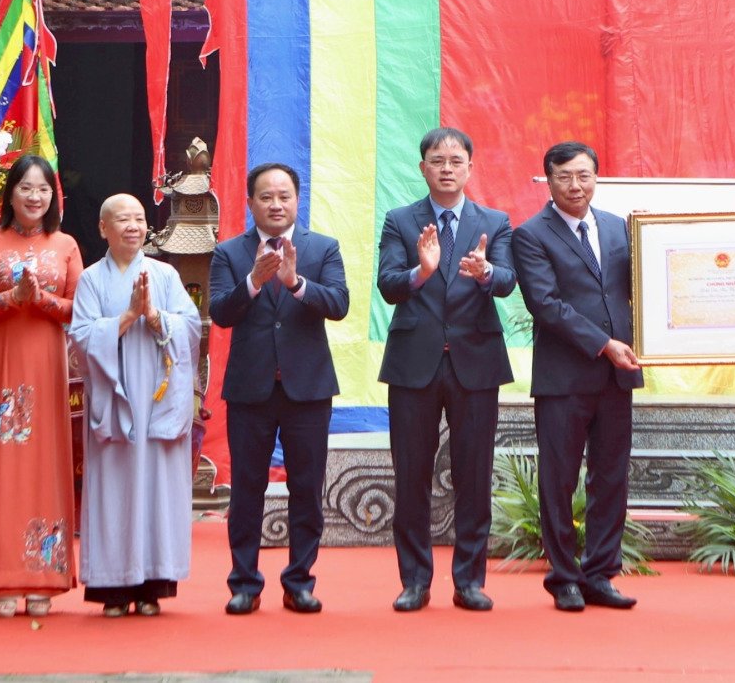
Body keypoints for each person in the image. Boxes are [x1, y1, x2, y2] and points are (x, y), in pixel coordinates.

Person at [377, 127, 516, 612]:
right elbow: (389, 286)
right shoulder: (400, 221)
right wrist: (423, 272)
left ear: (470, 167)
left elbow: (507, 281)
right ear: (423, 169)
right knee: (410, 474)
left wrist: (487, 274)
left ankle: (470, 581)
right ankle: (415, 581)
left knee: (474, 475)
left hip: (475, 363)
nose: (447, 168)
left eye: (457, 160)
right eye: (438, 161)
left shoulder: (494, 221)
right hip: (414, 363)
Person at [209, 163, 349, 615]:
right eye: (266, 196)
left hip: (307, 390)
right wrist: (253, 281)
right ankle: (245, 584)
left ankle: (299, 582)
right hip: (251, 390)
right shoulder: (229, 253)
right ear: (250, 202)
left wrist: (295, 283)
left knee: (306, 490)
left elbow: (339, 304)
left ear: (297, 200)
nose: (276, 204)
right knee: (247, 489)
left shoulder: (322, 248)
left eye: (284, 196)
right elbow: (220, 314)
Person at [511, 141, 642, 612]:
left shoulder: (618, 227)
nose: (575, 185)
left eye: (584, 175)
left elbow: (644, 287)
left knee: (611, 478)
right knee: (559, 479)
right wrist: (604, 345)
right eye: (565, 176)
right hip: (564, 379)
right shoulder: (530, 235)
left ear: (596, 177)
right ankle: (563, 575)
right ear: (548, 180)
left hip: (616, 378)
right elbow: (545, 305)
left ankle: (600, 573)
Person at [0, 154, 83, 618]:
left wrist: (43, 299)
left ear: (54, 196)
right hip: (3, 364)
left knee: (44, 463)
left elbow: (77, 308)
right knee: (2, 465)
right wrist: (10, 299)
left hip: (47, 361)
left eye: (44, 189)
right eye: (26, 188)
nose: (35, 196)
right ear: (10, 193)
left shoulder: (66, 245)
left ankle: (43, 577)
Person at [70, 194, 201, 617]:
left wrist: (156, 317)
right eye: (122, 219)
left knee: (158, 487)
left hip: (158, 399)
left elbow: (192, 327)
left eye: (140, 219)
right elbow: (81, 338)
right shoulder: (91, 279)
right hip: (115, 399)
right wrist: (127, 318)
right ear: (103, 228)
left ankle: (152, 586)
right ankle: (112, 590)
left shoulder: (164, 273)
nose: (133, 226)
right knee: (114, 488)